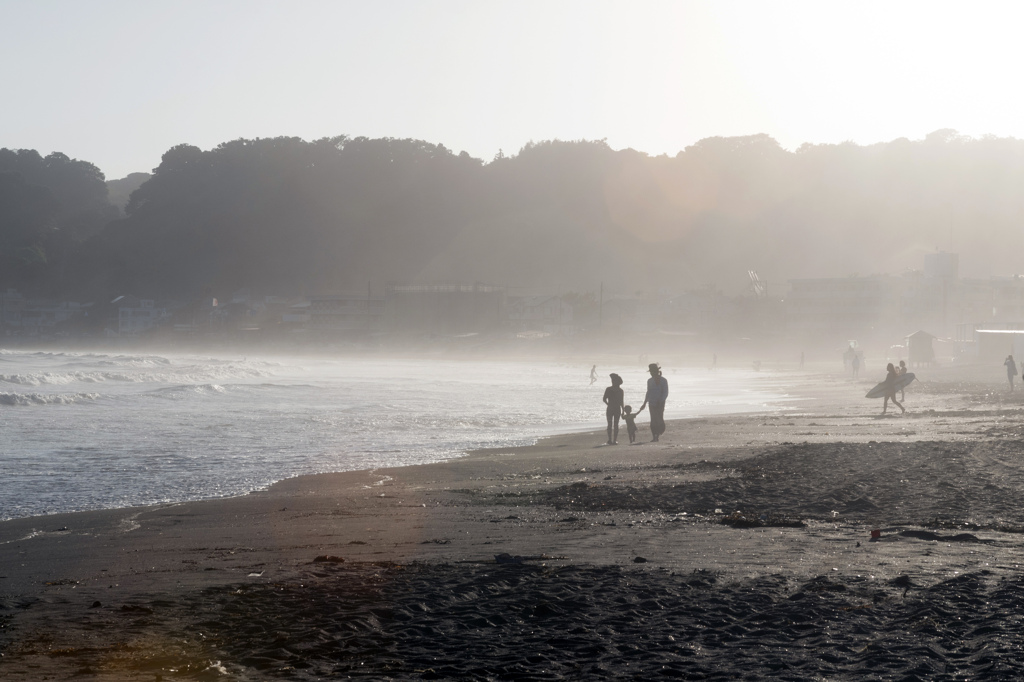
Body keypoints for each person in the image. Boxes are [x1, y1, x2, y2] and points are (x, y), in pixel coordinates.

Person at [639, 363, 669, 442]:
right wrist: (644, 403)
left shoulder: (663, 380)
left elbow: (665, 392)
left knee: (659, 418)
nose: (651, 373)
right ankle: (655, 436)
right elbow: (648, 392)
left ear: (656, 371)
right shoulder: (649, 381)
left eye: (652, 372)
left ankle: (658, 433)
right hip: (652, 403)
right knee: (653, 419)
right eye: (651, 372)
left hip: (660, 403)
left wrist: (661, 400)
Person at [602, 373, 624, 444]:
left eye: (613, 380)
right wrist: (623, 410)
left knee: (610, 424)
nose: (612, 382)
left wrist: (608, 404)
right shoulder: (620, 391)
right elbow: (621, 401)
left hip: (611, 408)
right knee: (615, 424)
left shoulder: (609, 389)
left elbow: (604, 399)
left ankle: (611, 440)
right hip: (616, 408)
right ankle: (613, 440)